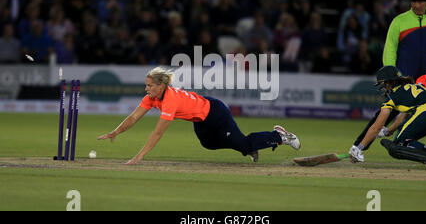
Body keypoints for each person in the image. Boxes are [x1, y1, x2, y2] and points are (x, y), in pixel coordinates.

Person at [97, 67, 300, 164]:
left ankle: (280, 136)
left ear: (161, 86)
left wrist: (139, 156)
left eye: (150, 85)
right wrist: (116, 132)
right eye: (146, 84)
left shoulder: (170, 100)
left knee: (245, 144)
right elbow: (133, 117)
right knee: (208, 144)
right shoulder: (152, 97)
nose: (146, 88)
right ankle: (245, 146)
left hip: (215, 113)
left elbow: (158, 133)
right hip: (199, 119)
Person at [352, 0, 426, 150]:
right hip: (403, 79)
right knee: (383, 115)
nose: (417, 5)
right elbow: (390, 49)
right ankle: (358, 147)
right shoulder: (399, 21)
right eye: (414, 1)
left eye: (420, 1)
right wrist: (392, 77)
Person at [349, 66, 426, 171]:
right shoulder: (411, 87)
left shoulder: (393, 97)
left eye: (383, 84)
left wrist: (359, 148)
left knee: (399, 144)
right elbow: (403, 116)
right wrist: (389, 130)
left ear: (388, 83)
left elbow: (376, 127)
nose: (383, 88)